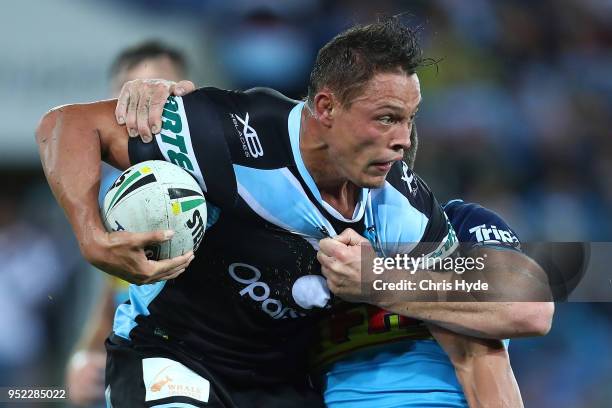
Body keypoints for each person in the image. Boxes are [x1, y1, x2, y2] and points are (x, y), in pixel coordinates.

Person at [37, 18, 550, 407]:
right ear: (325, 108)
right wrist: (89, 233)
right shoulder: (229, 133)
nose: (404, 141)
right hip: (173, 353)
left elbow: (516, 308)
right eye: (386, 119)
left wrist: (380, 281)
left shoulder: (403, 207)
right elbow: (68, 126)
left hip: (283, 384)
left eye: (410, 120)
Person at [64, 40, 192, 407]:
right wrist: (85, 355)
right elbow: (117, 291)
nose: (142, 108)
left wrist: (370, 278)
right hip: (137, 367)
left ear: (185, 92)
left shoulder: (219, 177)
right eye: (129, 96)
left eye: (157, 90)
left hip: (204, 369)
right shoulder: (106, 190)